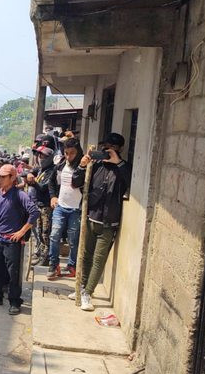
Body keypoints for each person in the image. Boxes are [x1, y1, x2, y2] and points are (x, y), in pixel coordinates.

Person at [70, 133, 131, 311]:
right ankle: (81, 288)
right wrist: (82, 166)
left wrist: (117, 162)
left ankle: (88, 293)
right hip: (90, 218)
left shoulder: (123, 167)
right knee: (86, 256)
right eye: (105, 147)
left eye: (111, 148)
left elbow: (130, 183)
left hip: (108, 223)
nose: (106, 151)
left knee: (99, 259)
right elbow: (76, 183)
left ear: (119, 149)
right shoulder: (95, 166)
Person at [0, 164, 40, 315]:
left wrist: (22, 231)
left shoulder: (20, 195)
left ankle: (14, 301)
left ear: (12, 178)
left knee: (13, 273)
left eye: (3, 176)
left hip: (12, 240)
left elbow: (34, 212)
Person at [47, 138, 84, 280]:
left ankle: (71, 266)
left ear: (78, 152)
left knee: (73, 240)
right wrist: (53, 197)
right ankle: (53, 265)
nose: (69, 156)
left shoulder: (84, 167)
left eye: (72, 153)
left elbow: (78, 183)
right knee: (54, 235)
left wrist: (81, 167)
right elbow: (51, 182)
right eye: (66, 153)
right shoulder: (61, 166)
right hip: (60, 207)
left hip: (76, 209)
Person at [27, 146, 56, 266]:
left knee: (45, 232)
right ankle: (40, 254)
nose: (40, 158)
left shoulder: (52, 170)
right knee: (39, 231)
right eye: (39, 156)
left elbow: (44, 187)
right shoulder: (41, 170)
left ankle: (46, 257)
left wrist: (34, 182)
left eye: (43, 156)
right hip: (39, 204)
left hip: (46, 206)